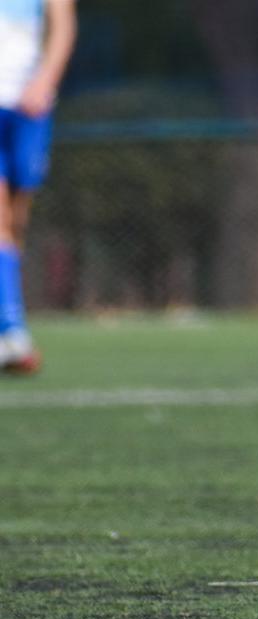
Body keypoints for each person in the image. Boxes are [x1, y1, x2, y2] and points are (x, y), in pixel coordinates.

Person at [0, 0, 76, 374]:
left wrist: (45, 80)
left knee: (16, 222)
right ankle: (11, 331)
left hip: (29, 106)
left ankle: (8, 319)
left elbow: (63, 24)